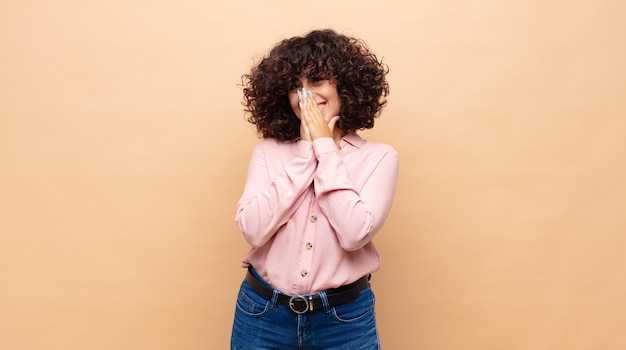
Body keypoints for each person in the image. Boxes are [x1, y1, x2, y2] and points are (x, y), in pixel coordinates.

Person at [230, 28, 399, 349]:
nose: (304, 95)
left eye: (317, 81)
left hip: (344, 321)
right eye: (295, 86)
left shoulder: (379, 158)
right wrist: (305, 155)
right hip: (262, 314)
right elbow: (253, 230)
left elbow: (353, 235)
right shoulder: (268, 152)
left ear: (345, 87)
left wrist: (324, 146)